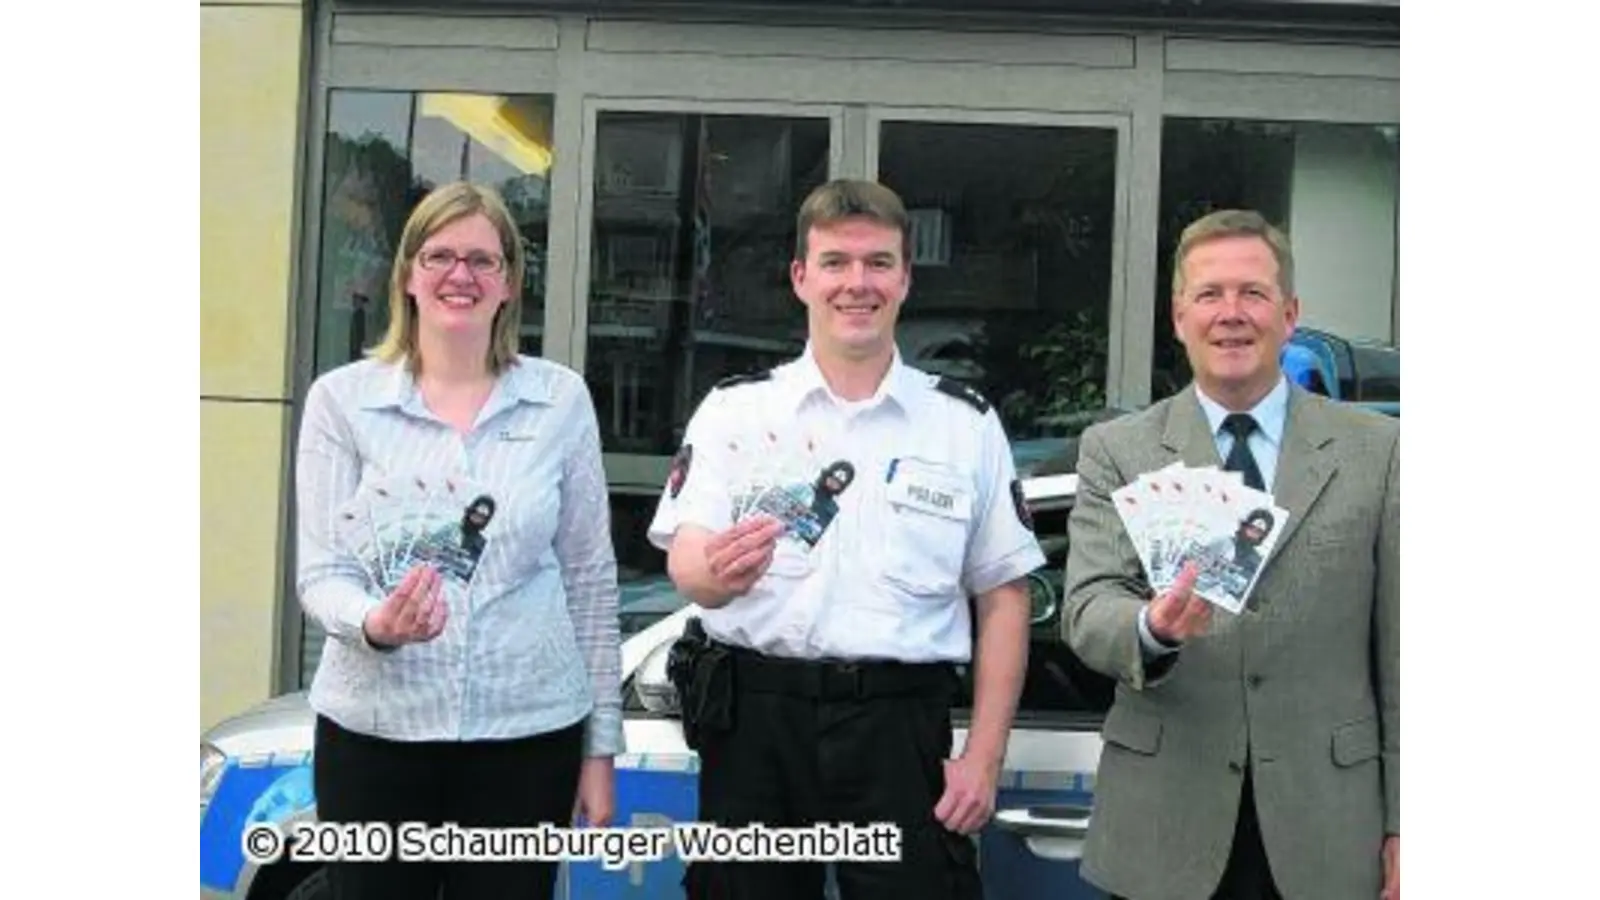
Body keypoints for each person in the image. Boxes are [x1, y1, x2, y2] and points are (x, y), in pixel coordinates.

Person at [648, 178, 1044, 899]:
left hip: (900, 728)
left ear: (905, 278)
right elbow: (687, 563)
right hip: (757, 725)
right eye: (835, 262)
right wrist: (715, 574)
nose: (856, 283)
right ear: (801, 277)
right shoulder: (736, 412)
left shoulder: (962, 423)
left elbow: (1004, 598)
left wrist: (984, 758)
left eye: (877, 263)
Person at [295, 181, 623, 900]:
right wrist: (375, 623)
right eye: (439, 256)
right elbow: (320, 574)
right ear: (408, 275)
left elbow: (590, 578)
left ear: (509, 282)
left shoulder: (560, 400)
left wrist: (600, 747)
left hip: (526, 738)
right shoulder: (341, 402)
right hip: (376, 736)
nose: (460, 275)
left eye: (482, 260)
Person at [1060, 209, 1399, 900]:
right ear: (1179, 316)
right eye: (1210, 294)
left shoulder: (1380, 451)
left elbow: (1407, 655)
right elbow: (1087, 609)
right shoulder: (1117, 451)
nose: (1231, 314)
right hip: (1164, 830)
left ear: (1290, 314)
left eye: (1253, 293)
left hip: (1329, 831)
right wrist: (1151, 629)